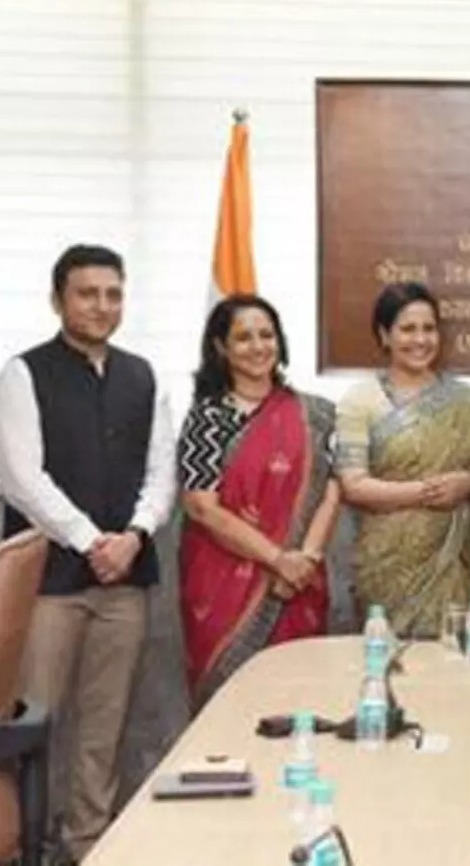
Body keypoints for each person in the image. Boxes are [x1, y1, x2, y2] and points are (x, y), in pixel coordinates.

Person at [0, 244, 175, 862]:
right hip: (48, 583)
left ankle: (88, 844)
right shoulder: (22, 374)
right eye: (87, 293)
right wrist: (93, 542)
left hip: (126, 580)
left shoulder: (143, 376)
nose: (102, 305)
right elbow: (23, 479)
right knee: (32, 723)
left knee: (105, 727)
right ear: (57, 299)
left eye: (113, 294)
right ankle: (20, 846)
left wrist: (134, 535)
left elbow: (161, 473)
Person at [176, 295, 341, 711]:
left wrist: (304, 561)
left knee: (298, 703)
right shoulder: (207, 418)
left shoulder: (316, 415)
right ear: (221, 347)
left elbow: (331, 490)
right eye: (243, 337)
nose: (258, 346)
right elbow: (201, 507)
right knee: (228, 707)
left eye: (266, 335)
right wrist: (277, 560)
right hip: (222, 585)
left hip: (300, 579)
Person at [335, 282, 470, 637]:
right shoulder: (360, 400)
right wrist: (426, 492)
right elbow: (353, 485)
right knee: (386, 657)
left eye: (429, 328)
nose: (420, 339)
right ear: (385, 335)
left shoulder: (465, 400)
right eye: (408, 329)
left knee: (452, 657)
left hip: (453, 564)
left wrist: (468, 483)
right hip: (385, 564)